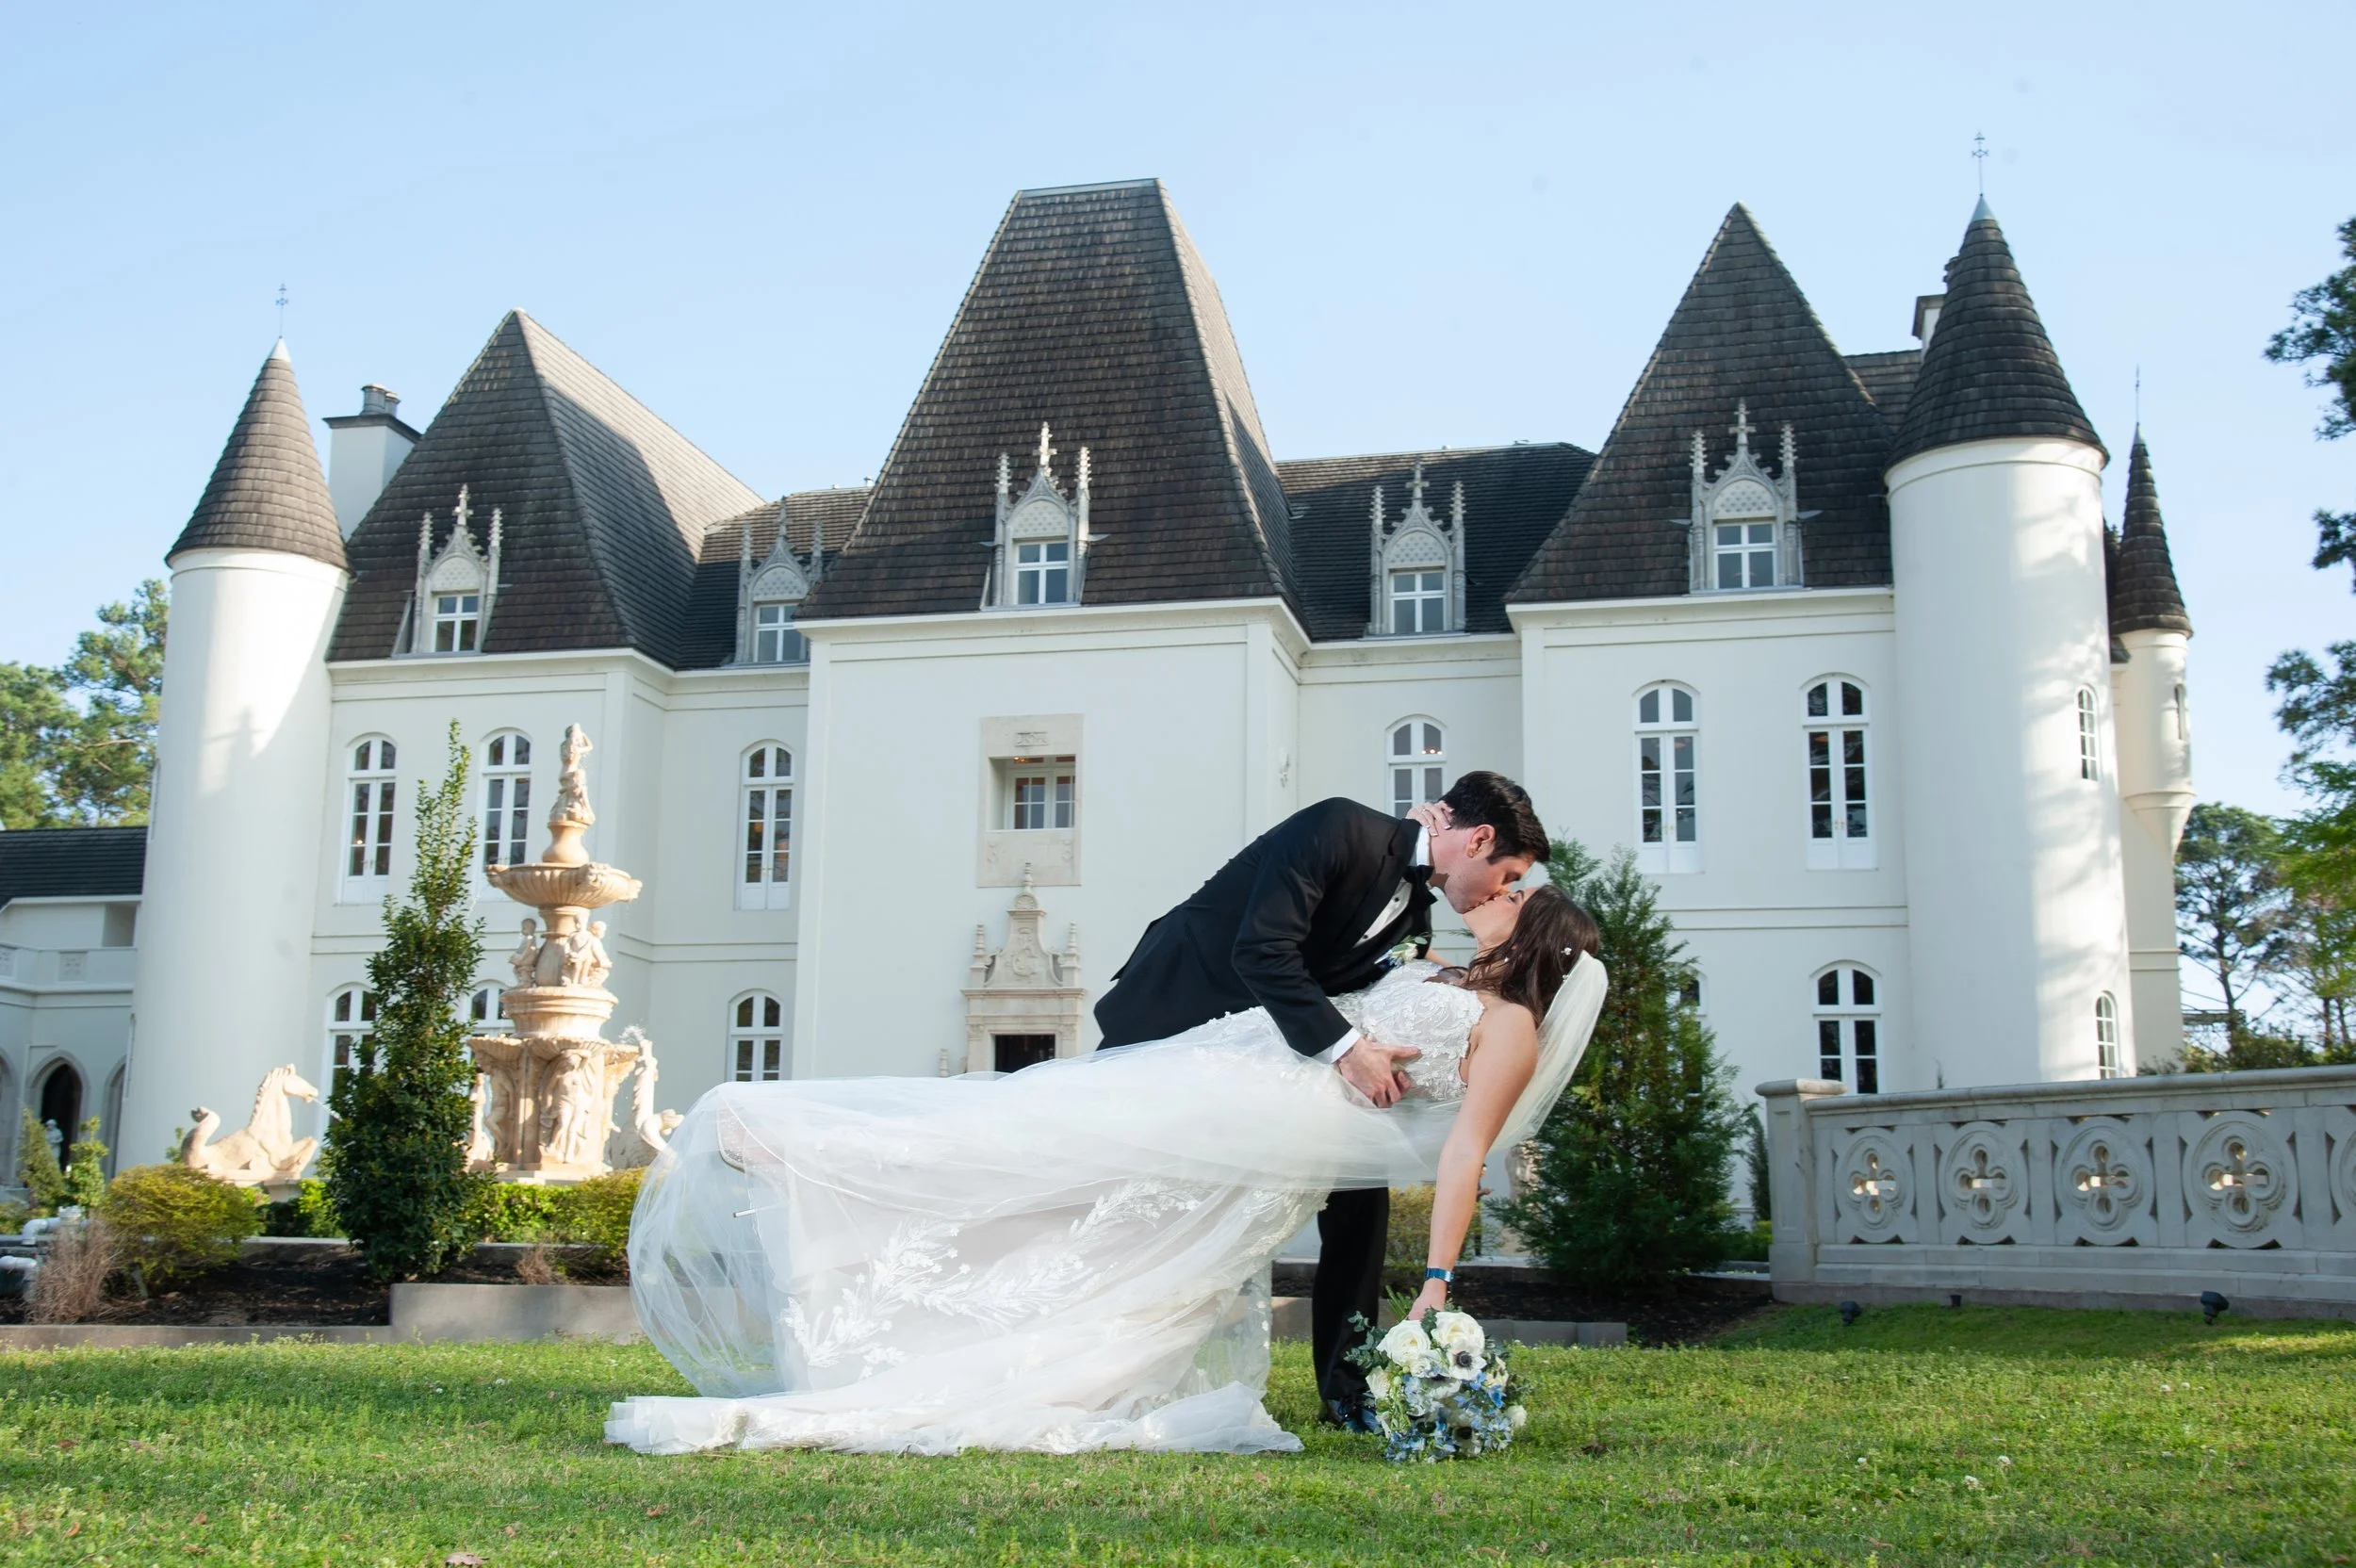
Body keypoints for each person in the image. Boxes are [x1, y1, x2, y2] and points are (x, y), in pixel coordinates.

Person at [608, 856, 1608, 1458]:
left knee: (1083, 1181)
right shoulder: (1447, 971)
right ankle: (827, 1160)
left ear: (1535, 932)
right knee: (1052, 1132)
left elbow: (1465, 1153)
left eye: (1518, 890)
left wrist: (1436, 1281)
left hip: (1256, 1109)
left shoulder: (1510, 1023)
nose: (1501, 886)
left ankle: (818, 1160)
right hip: (1234, 1058)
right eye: (1510, 876)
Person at [1092, 772, 1548, 1426]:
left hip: (1269, 1058)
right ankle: (1102, 1354)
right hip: (1176, 1016)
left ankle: (1348, 1386)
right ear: (1478, 840)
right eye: (1509, 873)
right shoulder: (1338, 826)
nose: (1504, 890)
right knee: (1123, 1193)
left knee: (1362, 1186)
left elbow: (1359, 975)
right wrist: (1348, 1051)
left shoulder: (1416, 908)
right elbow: (1264, 949)